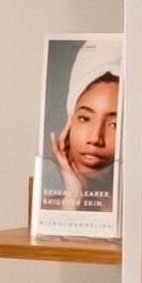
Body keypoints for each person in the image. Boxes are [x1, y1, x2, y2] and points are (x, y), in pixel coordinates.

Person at [42, 42, 117, 212]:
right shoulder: (53, 207)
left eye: (114, 124)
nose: (95, 138)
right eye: (84, 118)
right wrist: (73, 198)